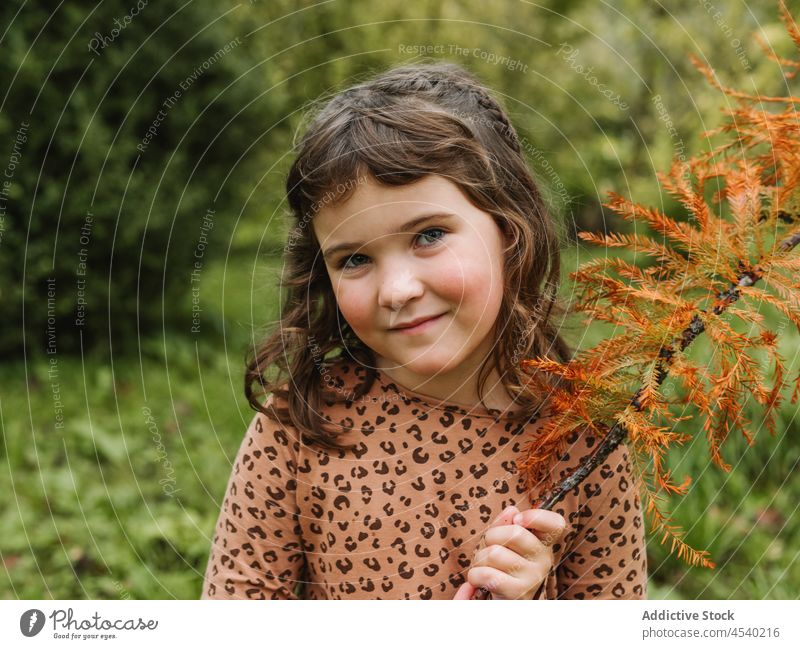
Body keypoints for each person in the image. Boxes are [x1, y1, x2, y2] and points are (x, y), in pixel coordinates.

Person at [201, 61, 647, 600]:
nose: (397, 289)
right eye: (355, 259)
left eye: (429, 235)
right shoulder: (298, 428)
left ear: (510, 230)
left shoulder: (583, 441)